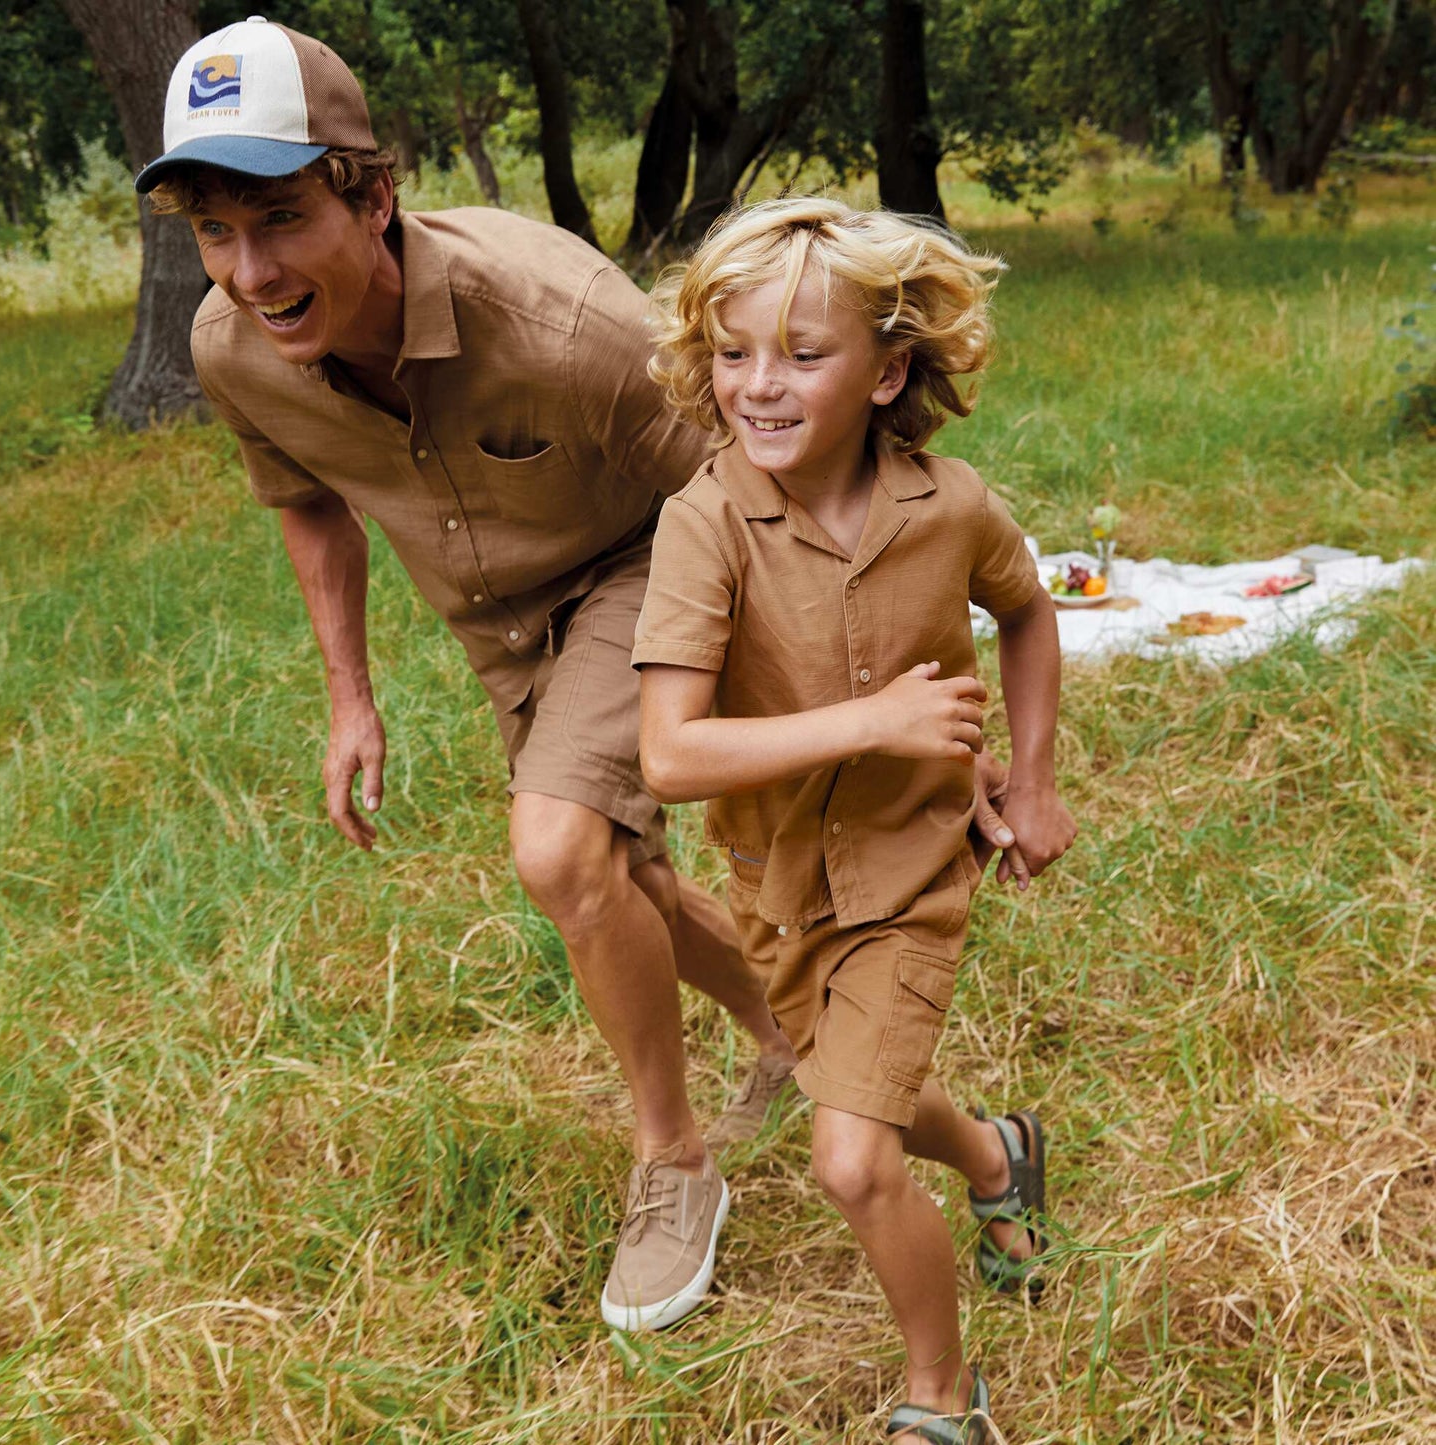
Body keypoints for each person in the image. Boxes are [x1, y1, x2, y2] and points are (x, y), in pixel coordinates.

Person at [133, 15, 806, 1333]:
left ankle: (673, 1164)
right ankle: (798, 1031)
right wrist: (348, 697)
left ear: (372, 195)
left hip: (649, 553)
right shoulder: (229, 347)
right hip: (499, 616)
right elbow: (312, 503)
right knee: (624, 878)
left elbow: (740, 492)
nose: (250, 271)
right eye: (214, 232)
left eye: (277, 219)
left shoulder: (561, 325)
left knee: (561, 851)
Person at [633, 198, 1077, 1439]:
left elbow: (1030, 613)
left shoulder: (949, 507)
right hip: (775, 880)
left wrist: (1031, 780)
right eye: (731, 353)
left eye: (799, 354)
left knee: (848, 1153)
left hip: (914, 865)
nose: (757, 387)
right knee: (858, 1085)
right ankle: (994, 1152)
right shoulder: (703, 525)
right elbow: (669, 755)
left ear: (886, 373)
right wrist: (870, 720)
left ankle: (941, 1395)